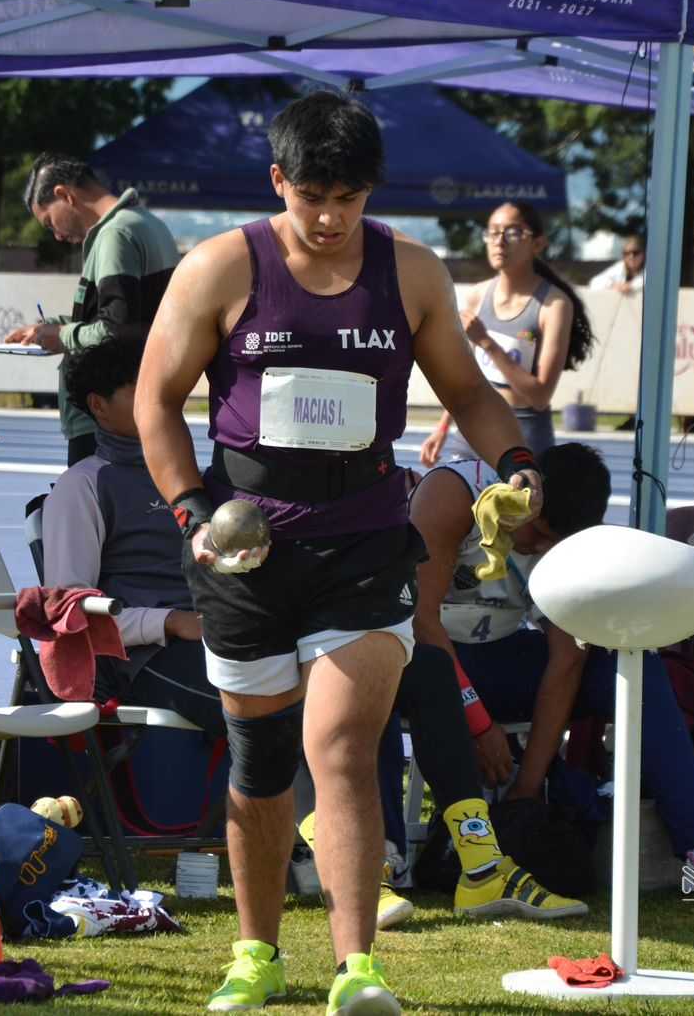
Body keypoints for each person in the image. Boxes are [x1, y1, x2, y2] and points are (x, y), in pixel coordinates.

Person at [134, 89, 543, 1016]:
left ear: (372, 192)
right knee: (261, 758)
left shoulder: (412, 271)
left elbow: (470, 394)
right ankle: (257, 953)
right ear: (278, 181)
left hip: (362, 541)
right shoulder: (218, 266)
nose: (328, 218)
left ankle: (360, 971)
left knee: (344, 751)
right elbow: (156, 400)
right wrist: (191, 506)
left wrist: (516, 457)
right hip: (243, 548)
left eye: (348, 199)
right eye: (311, 195)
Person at [414, 443, 694, 877]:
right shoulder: (454, 493)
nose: (540, 549)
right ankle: (382, 854)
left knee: (637, 669)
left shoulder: (564, 537)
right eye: (540, 535)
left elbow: (567, 659)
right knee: (383, 670)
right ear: (526, 502)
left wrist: (526, 791)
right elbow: (422, 622)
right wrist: (478, 721)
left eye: (558, 543)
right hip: (419, 658)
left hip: (494, 657)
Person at [41, 330, 222, 736]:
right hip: (140, 658)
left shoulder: (196, 479)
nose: (160, 400)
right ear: (98, 406)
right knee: (264, 713)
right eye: (141, 389)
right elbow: (69, 614)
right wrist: (170, 622)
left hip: (214, 634)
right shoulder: (83, 486)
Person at [5, 154, 180, 466]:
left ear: (64, 195)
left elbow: (116, 329)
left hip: (107, 418)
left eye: (49, 223)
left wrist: (62, 335)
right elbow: (132, 317)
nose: (57, 235)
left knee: (94, 512)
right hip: (139, 406)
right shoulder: (149, 224)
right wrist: (55, 327)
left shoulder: (115, 234)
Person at [420, 200, 593, 463]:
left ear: (537, 244)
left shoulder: (554, 305)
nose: (499, 241)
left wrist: (487, 342)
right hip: (473, 429)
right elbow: (464, 376)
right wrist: (442, 429)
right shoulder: (478, 294)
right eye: (492, 231)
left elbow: (540, 395)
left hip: (525, 436)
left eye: (512, 232)